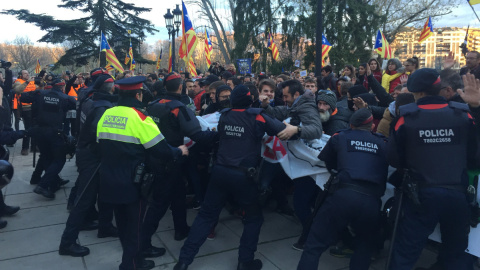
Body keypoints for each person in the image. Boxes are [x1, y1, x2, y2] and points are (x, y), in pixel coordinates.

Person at [174, 85, 287, 270]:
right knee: (253, 218)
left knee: (205, 216)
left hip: (220, 172)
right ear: (251, 100)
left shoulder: (225, 115)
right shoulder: (257, 115)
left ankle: (183, 261)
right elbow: (281, 129)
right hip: (244, 176)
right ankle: (245, 262)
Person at [387, 69, 478, 270]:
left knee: (405, 252)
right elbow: (474, 156)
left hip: (420, 195)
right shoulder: (463, 115)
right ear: (439, 88)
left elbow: (394, 159)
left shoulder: (406, 118)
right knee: (455, 254)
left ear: (416, 92)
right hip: (457, 194)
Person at [96, 76, 188, 270]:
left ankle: (133, 260)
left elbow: (100, 146)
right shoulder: (140, 118)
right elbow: (161, 150)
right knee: (135, 227)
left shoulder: (107, 114)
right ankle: (131, 265)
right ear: (138, 95)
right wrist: (180, 150)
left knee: (122, 225)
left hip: (108, 180)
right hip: (133, 183)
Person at [298, 108, 388, 270]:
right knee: (364, 247)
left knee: (314, 245)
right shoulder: (383, 143)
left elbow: (329, 163)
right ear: (372, 127)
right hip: (371, 201)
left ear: (351, 125)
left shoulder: (340, 137)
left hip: (342, 196)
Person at [142, 72, 218, 257]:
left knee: (178, 194)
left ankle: (181, 228)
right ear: (180, 87)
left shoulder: (152, 105)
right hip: (172, 158)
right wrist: (220, 134)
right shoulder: (178, 107)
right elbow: (197, 135)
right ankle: (142, 243)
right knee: (159, 204)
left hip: (156, 156)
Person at [59, 75, 118, 257]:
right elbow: (99, 134)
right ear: (110, 88)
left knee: (105, 192)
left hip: (87, 152)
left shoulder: (89, 100)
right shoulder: (102, 108)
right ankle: (67, 242)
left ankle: (105, 226)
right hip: (92, 157)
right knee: (84, 199)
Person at [259, 80, 323, 249]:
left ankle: (309, 236)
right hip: (301, 163)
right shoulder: (295, 105)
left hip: (308, 165)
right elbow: (278, 113)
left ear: (296, 95)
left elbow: (316, 130)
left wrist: (296, 130)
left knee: (301, 202)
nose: (284, 99)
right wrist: (266, 106)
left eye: (286, 96)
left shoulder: (306, 107)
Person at [20, 79, 76, 199]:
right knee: (59, 159)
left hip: (39, 130)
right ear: (62, 87)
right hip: (54, 132)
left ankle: (46, 179)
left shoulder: (40, 94)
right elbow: (74, 107)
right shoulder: (65, 98)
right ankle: (43, 185)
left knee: (46, 156)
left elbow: (23, 97)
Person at [13, 70, 36, 156]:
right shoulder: (18, 82)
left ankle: (34, 146)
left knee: (35, 127)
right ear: (21, 75)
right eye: (25, 73)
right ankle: (25, 148)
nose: (28, 74)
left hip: (34, 107)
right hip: (25, 108)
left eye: (28, 73)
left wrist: (41, 83)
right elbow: (18, 90)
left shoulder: (32, 82)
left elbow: (38, 89)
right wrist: (27, 82)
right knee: (28, 128)